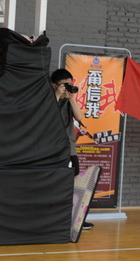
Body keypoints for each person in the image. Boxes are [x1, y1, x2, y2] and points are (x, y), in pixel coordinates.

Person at [51, 68, 94, 231]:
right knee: (55, 185)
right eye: (64, 85)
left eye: (70, 84)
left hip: (70, 149)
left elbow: (79, 117)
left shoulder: (69, 100)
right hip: (52, 151)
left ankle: (75, 220)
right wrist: (56, 96)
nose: (68, 87)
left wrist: (72, 99)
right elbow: (48, 116)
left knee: (74, 185)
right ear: (55, 85)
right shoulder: (47, 99)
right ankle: (56, 220)